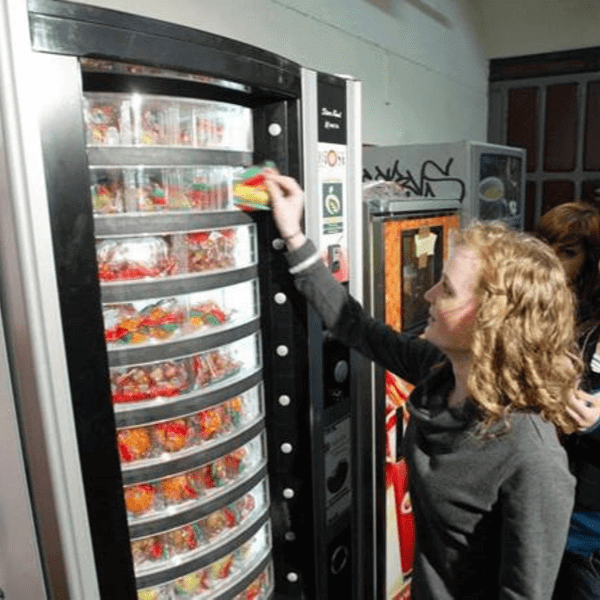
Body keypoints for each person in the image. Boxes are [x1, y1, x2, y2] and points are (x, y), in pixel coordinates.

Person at [265, 170, 580, 600]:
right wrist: (293, 235)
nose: (429, 295)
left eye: (447, 289)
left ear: (492, 322)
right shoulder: (441, 373)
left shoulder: (532, 458)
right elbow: (357, 328)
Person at [536, 201, 600, 600]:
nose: (555, 262)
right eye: (548, 247)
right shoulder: (539, 307)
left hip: (586, 525)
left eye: (569, 252)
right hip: (546, 507)